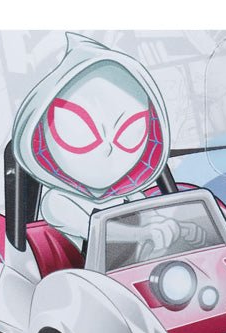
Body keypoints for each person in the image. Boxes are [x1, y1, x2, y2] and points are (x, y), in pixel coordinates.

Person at [11, 33, 172, 248]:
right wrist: (141, 234)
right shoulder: (58, 201)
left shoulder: (131, 197)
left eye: (130, 132)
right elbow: (95, 229)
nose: (108, 148)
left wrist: (176, 229)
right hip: (86, 269)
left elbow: (155, 222)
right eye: (79, 132)